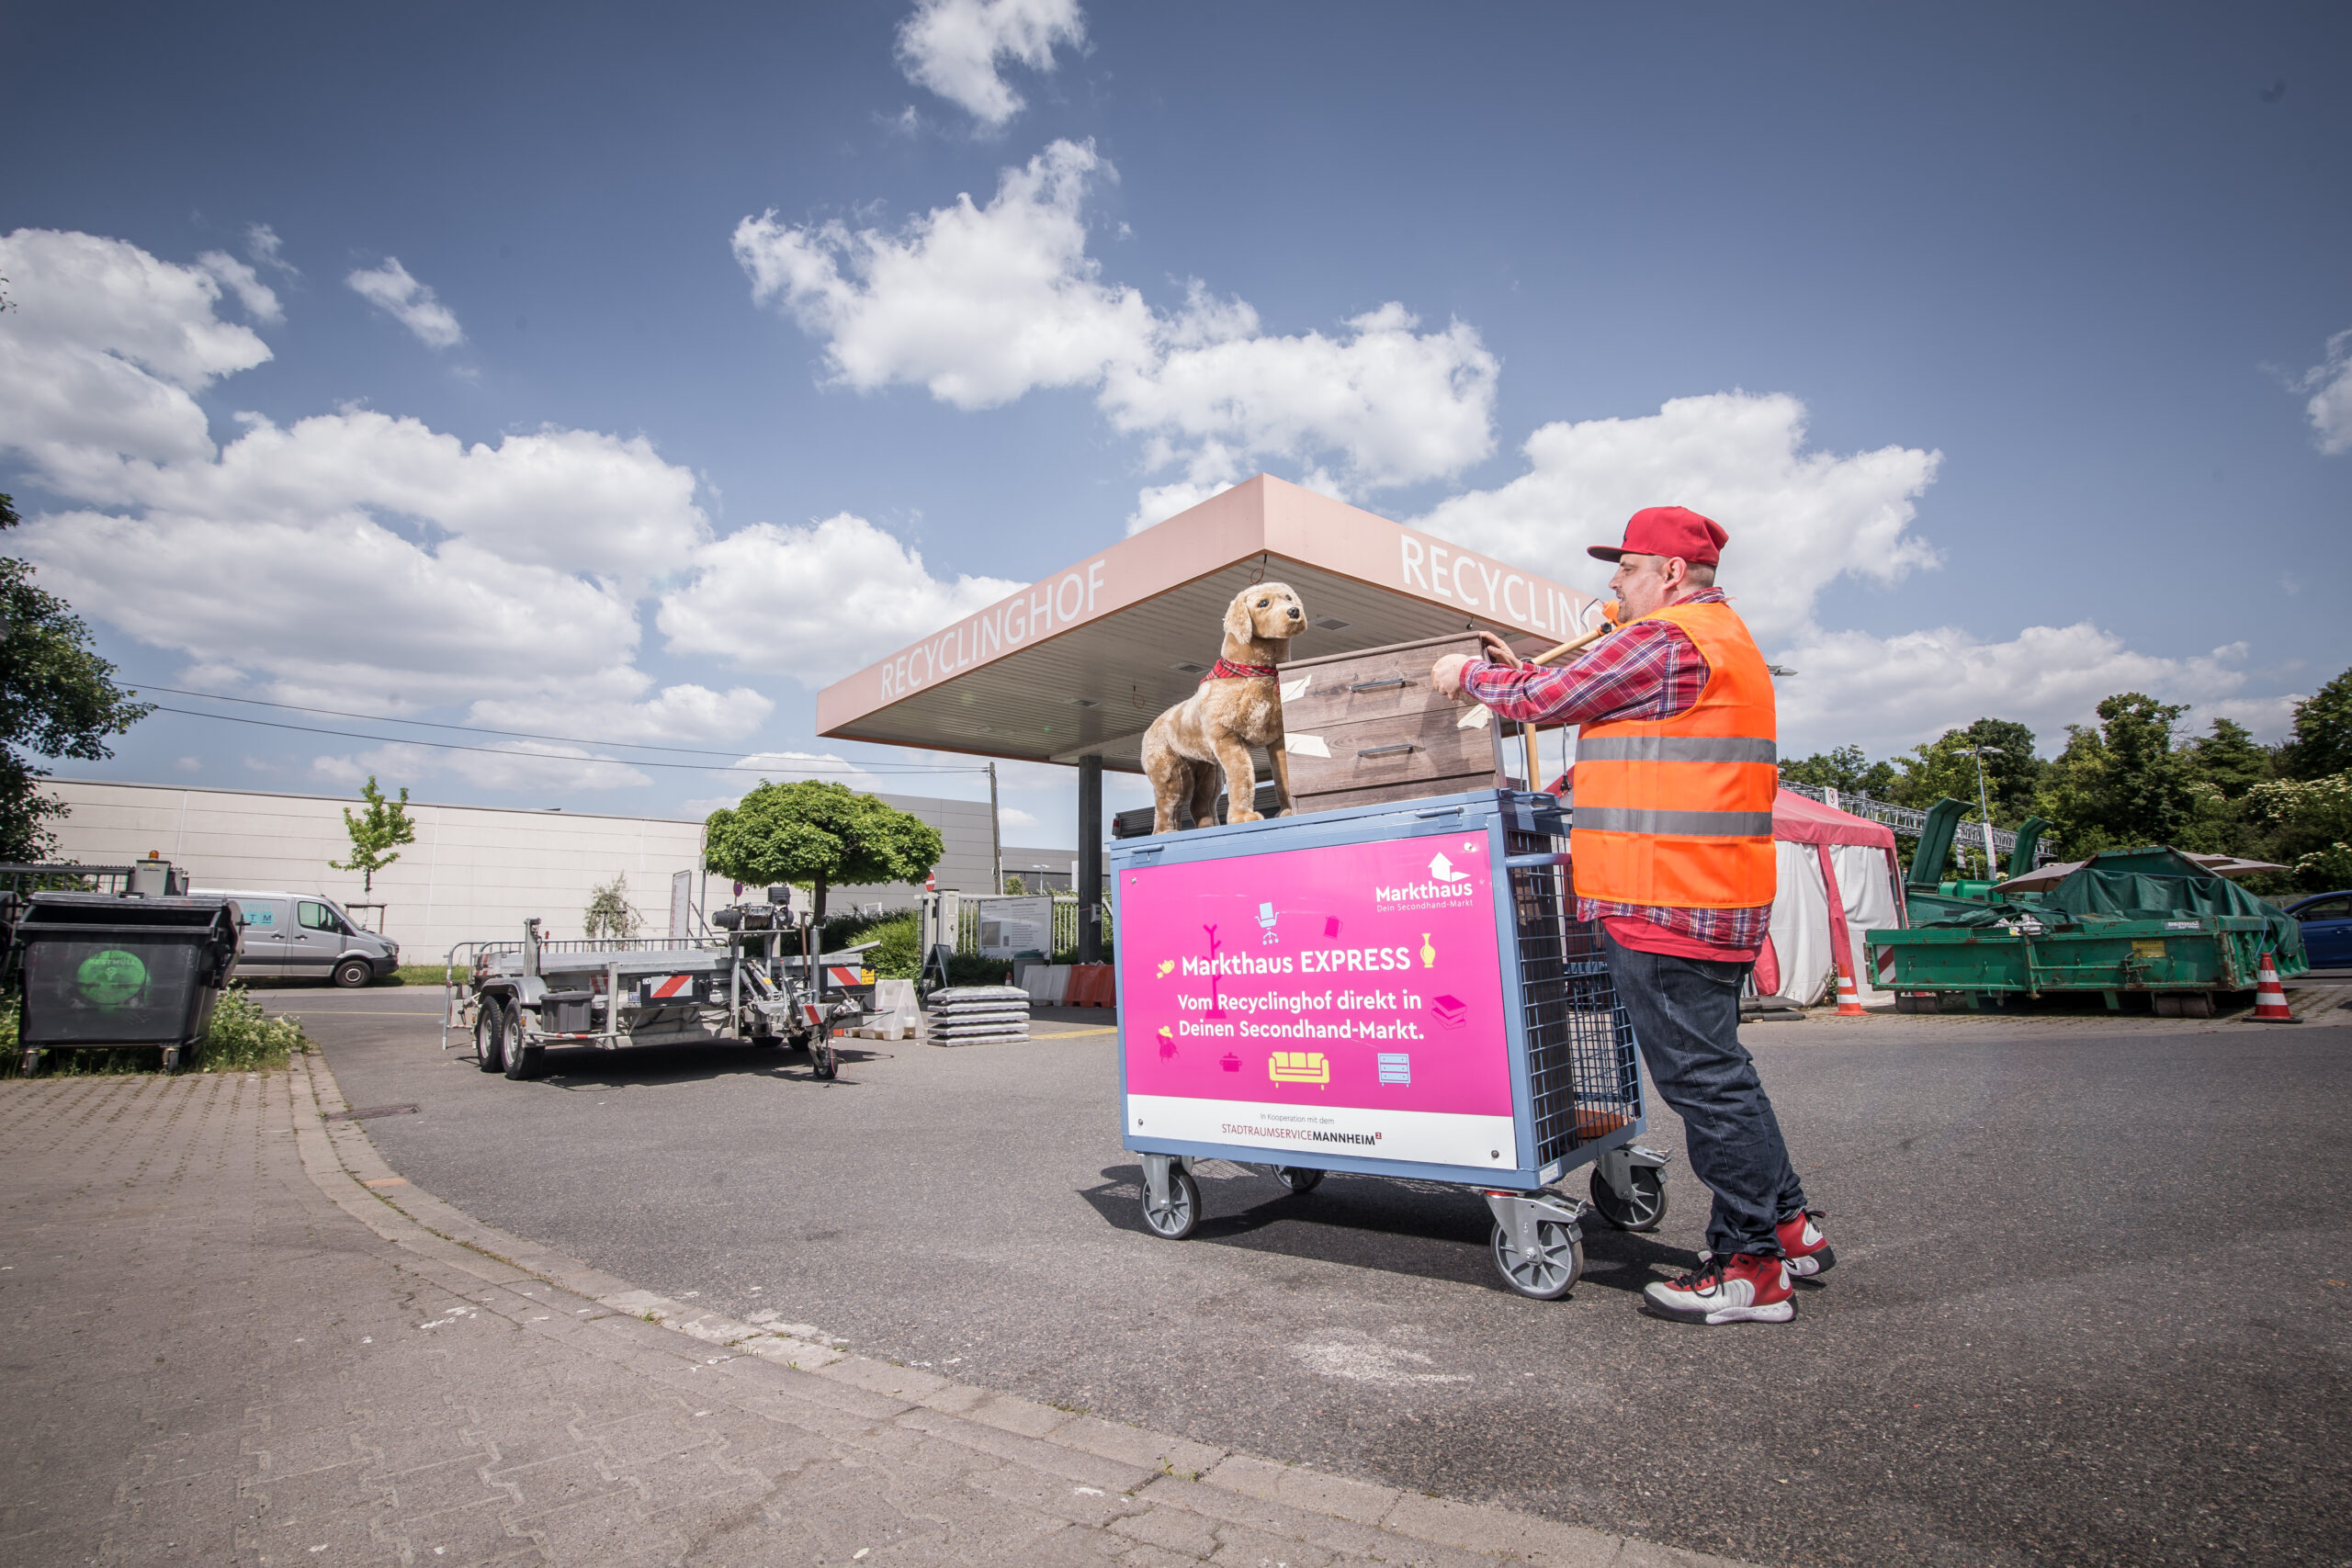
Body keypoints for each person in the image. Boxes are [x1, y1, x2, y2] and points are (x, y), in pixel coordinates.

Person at [1430, 505, 1832, 1325]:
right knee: (1724, 1073)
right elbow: (1653, 759)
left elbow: (1539, 696)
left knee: (1705, 1083)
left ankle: (1749, 1266)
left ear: (1671, 574)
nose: (1613, 581)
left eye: (1627, 567)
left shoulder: (1668, 640)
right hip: (1711, 896)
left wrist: (1463, 675)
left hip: (1667, 902)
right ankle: (1788, 1222)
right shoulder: (1721, 641)